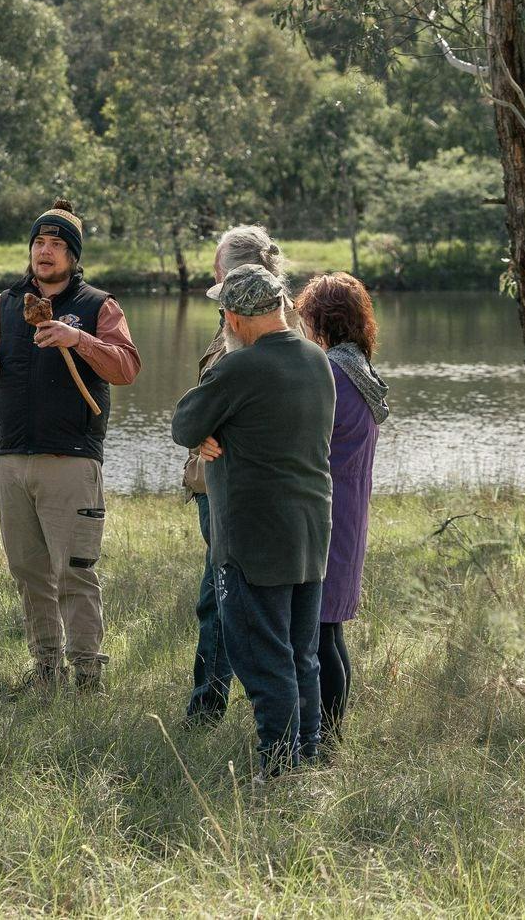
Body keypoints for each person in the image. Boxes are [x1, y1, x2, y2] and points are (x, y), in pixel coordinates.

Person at [0, 201, 140, 693]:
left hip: (71, 458)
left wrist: (76, 339)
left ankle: (87, 675)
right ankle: (45, 668)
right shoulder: (4, 304)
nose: (46, 252)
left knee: (74, 571)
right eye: (39, 244)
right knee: (28, 571)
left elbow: (126, 368)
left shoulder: (100, 306)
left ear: (74, 256)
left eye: (57, 245)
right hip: (11, 457)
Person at [172, 264, 335, 778]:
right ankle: (307, 756)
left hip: (252, 537)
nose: (222, 320)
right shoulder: (317, 360)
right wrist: (215, 432)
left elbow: (183, 424)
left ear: (236, 318)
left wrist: (207, 431)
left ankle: (279, 767)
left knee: (263, 659)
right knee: (301, 655)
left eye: (223, 312)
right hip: (311, 532)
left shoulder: (238, 368)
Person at [181, 226, 293, 726]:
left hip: (236, 486)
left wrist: (210, 431)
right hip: (221, 480)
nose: (212, 277)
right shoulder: (242, 325)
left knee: (223, 597)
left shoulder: (258, 334)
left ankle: (210, 707)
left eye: (216, 269)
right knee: (226, 595)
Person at [294, 272, 388, 753]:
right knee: (330, 631)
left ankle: (326, 739)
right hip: (350, 514)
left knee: (320, 634)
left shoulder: (330, 372)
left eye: (306, 314)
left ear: (321, 318)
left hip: (327, 515)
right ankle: (331, 734)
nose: (301, 323)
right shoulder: (360, 368)